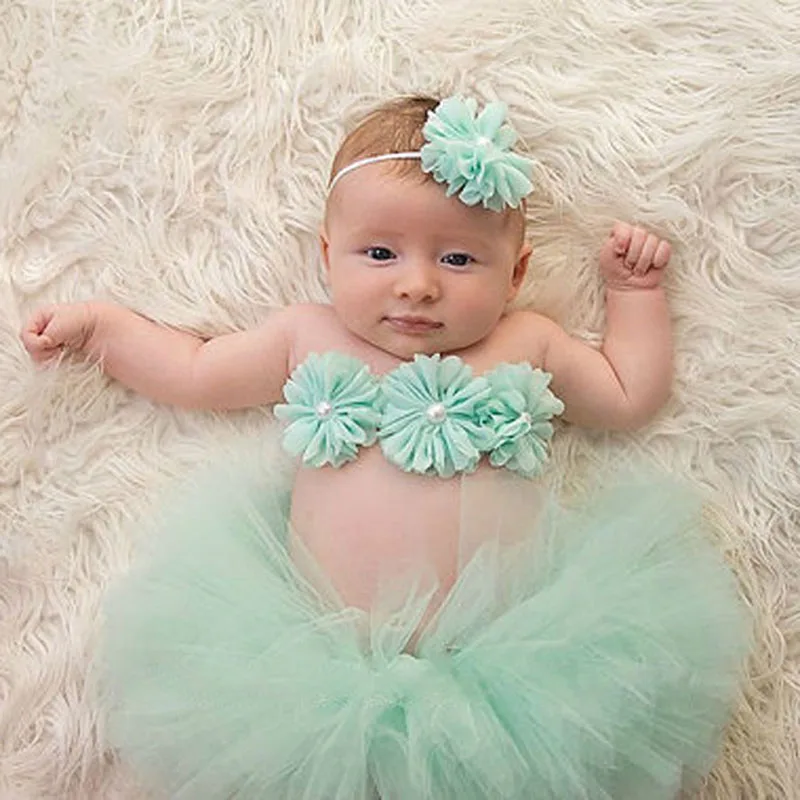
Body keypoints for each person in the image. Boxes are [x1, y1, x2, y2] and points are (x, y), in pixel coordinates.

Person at [21, 95, 748, 800]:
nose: (418, 285)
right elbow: (194, 372)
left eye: (458, 259)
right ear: (327, 254)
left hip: (514, 671)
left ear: (516, 274)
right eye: (379, 253)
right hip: (312, 670)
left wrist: (634, 295)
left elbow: (626, 395)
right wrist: (103, 333)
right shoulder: (307, 335)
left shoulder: (527, 342)